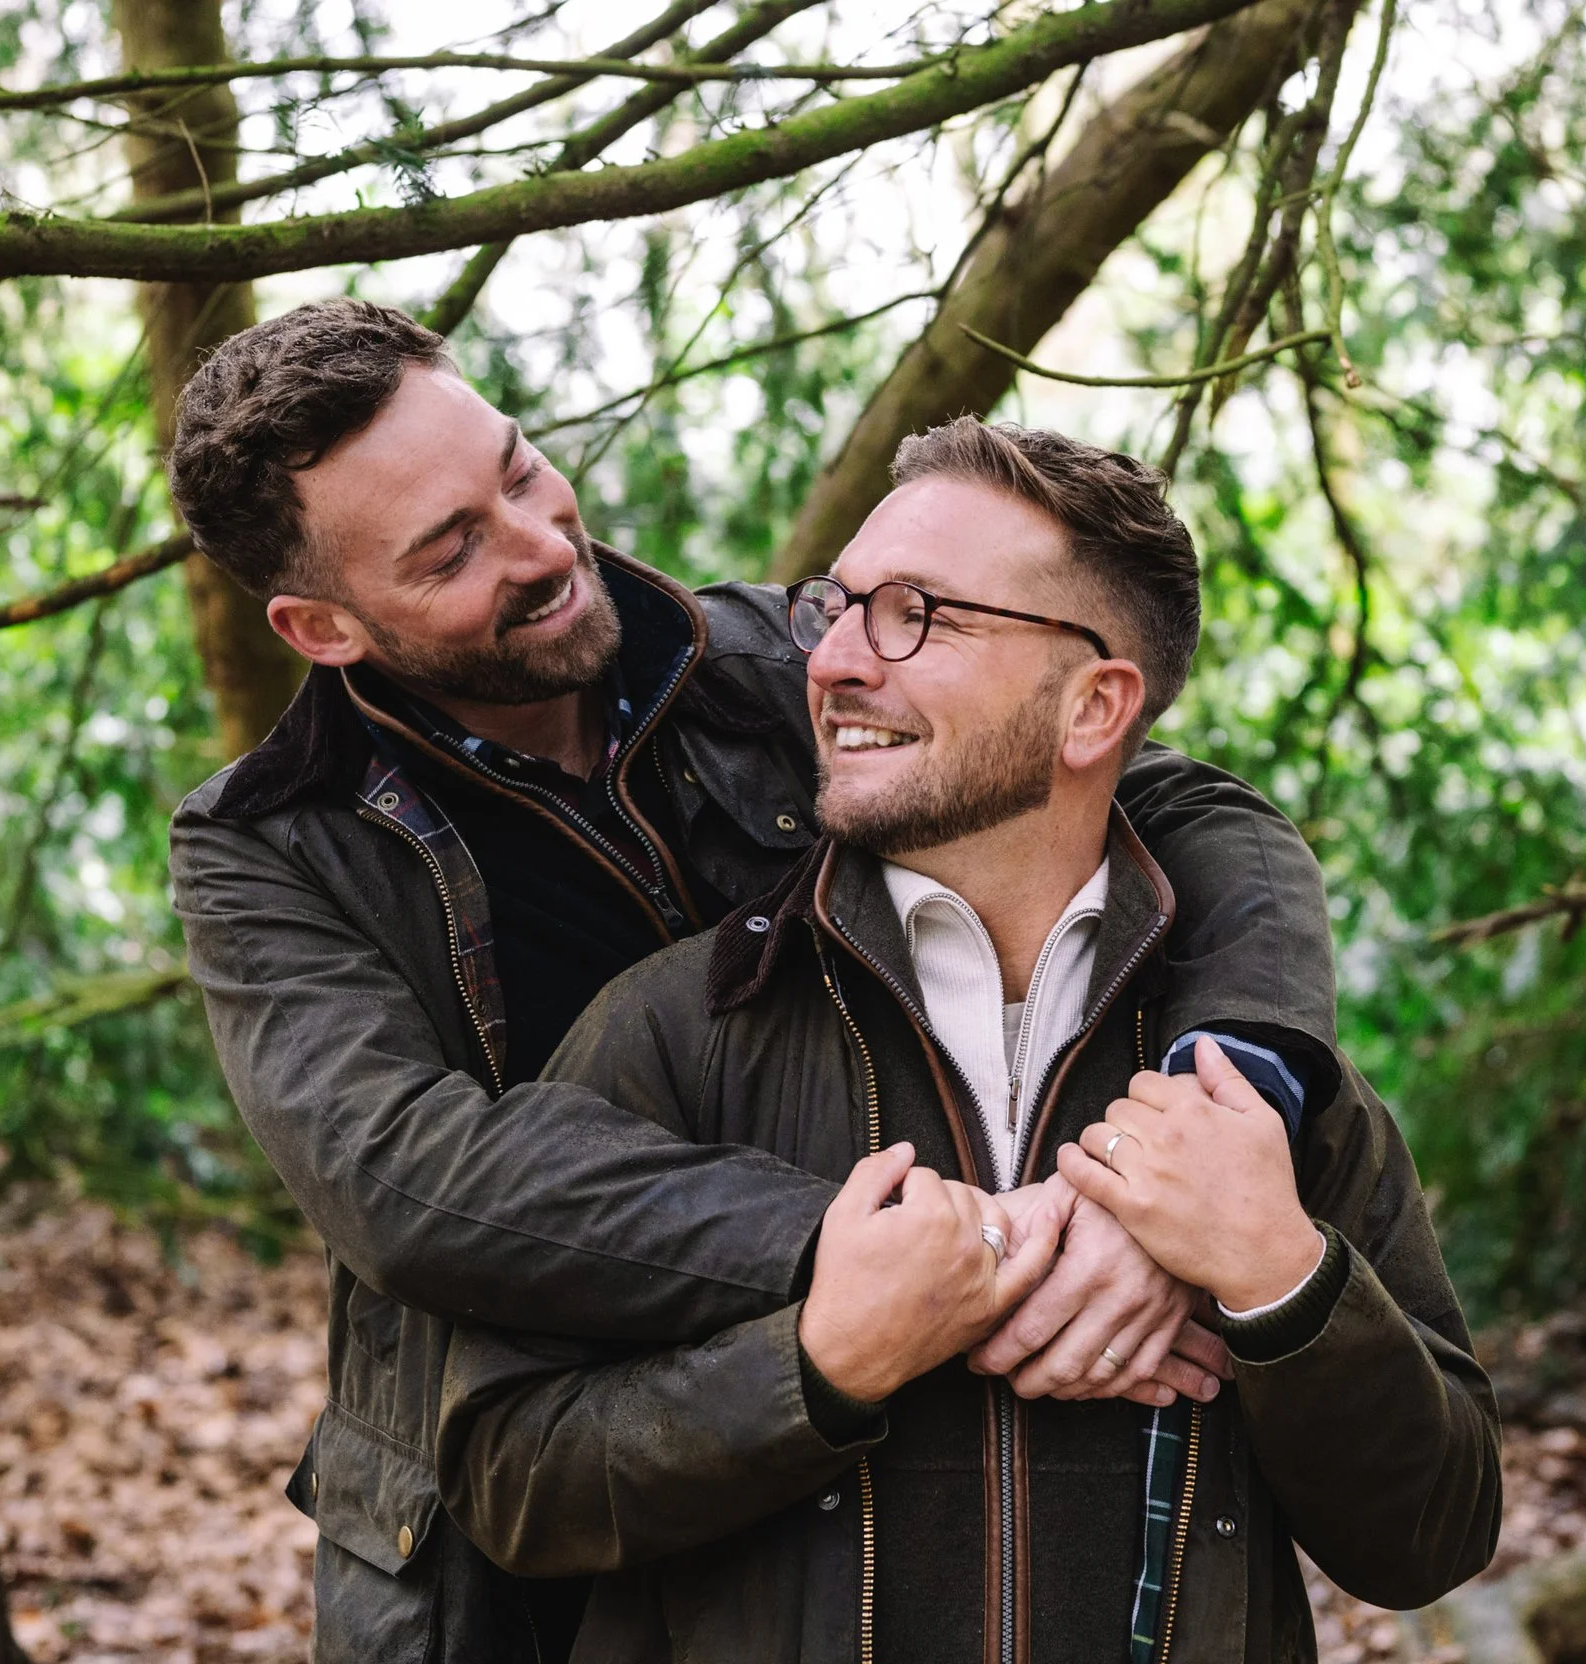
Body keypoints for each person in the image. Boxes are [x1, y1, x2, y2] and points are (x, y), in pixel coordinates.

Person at [164, 301, 1347, 1663]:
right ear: (321, 625)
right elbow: (402, 1178)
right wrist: (926, 1246)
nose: (540, 544)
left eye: (519, 470)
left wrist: (1212, 1121)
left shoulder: (790, 660)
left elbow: (1188, 810)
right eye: (451, 551)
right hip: (508, 1521)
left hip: (847, 1488)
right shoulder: (267, 844)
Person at [436, 418, 1502, 1664]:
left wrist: (1277, 1273)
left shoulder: (1255, 1084)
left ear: (1093, 705)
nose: (833, 659)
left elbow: (1432, 1535)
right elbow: (508, 1484)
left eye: (917, 615)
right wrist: (819, 1365)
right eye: (838, 607)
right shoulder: (678, 1029)